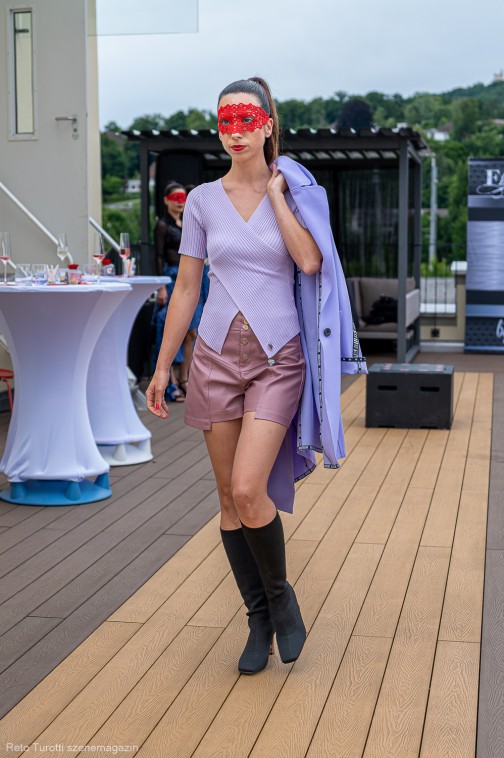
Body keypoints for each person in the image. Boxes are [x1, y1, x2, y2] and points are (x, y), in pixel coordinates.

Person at [147, 77, 365, 675]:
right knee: (226, 499)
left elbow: (310, 261)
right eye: (226, 121)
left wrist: (274, 196)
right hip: (215, 358)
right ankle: (258, 619)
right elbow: (186, 287)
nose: (235, 131)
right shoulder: (201, 201)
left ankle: (280, 598)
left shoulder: (293, 189)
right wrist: (163, 366)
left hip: (277, 358)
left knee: (249, 489)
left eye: (247, 119)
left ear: (267, 123)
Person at [152, 181, 196, 400]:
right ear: (166, 200)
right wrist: (162, 286)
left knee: (191, 331)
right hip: (171, 278)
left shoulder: (188, 222)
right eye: (175, 198)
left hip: (190, 277)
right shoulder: (162, 225)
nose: (180, 202)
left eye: (183, 198)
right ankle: (170, 383)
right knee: (169, 330)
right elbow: (158, 257)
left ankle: (184, 378)